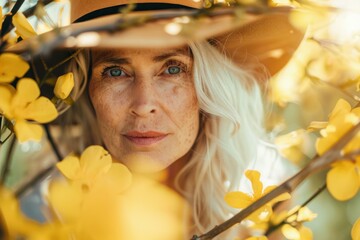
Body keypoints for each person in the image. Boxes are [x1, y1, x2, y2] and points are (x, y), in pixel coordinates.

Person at [16, 0, 303, 238]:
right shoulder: (40, 216)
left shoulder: (264, 206)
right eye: (115, 71)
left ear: (209, 82)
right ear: (84, 89)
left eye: (173, 68)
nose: (143, 105)